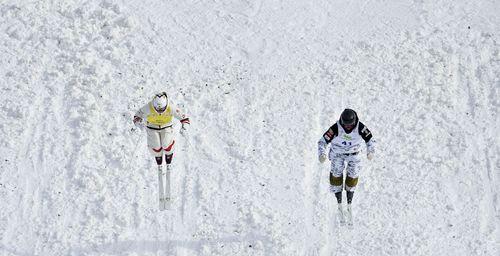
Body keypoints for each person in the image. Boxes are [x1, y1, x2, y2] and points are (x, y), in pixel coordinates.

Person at [318, 109, 375, 208]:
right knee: (336, 171)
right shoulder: (336, 128)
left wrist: (370, 151)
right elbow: (322, 142)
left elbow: (370, 140)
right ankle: (338, 196)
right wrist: (322, 154)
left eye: (350, 125)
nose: (348, 127)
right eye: (345, 125)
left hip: (354, 153)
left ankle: (350, 194)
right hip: (338, 153)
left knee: (354, 172)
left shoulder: (360, 127)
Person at [133, 91, 190, 170]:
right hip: (152, 127)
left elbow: (183, 117)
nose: (160, 111)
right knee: (155, 145)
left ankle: (168, 157)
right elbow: (138, 115)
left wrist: (185, 126)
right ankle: (159, 160)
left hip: (166, 126)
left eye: (162, 109)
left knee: (166, 143)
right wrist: (139, 121)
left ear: (166, 105)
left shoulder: (170, 107)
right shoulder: (149, 107)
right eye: (157, 109)